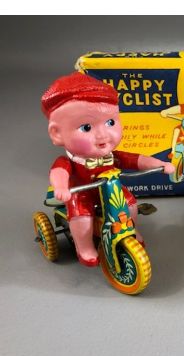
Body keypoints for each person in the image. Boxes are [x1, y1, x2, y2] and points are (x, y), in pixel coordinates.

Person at [42, 72, 174, 267]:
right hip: (81, 193)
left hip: (110, 191)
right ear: (57, 133)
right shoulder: (69, 161)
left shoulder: (112, 156)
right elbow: (59, 172)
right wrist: (61, 187)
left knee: (129, 204)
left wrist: (159, 164)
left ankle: (130, 229)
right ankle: (84, 246)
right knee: (81, 216)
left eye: (111, 122)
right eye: (86, 127)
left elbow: (136, 159)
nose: (103, 135)